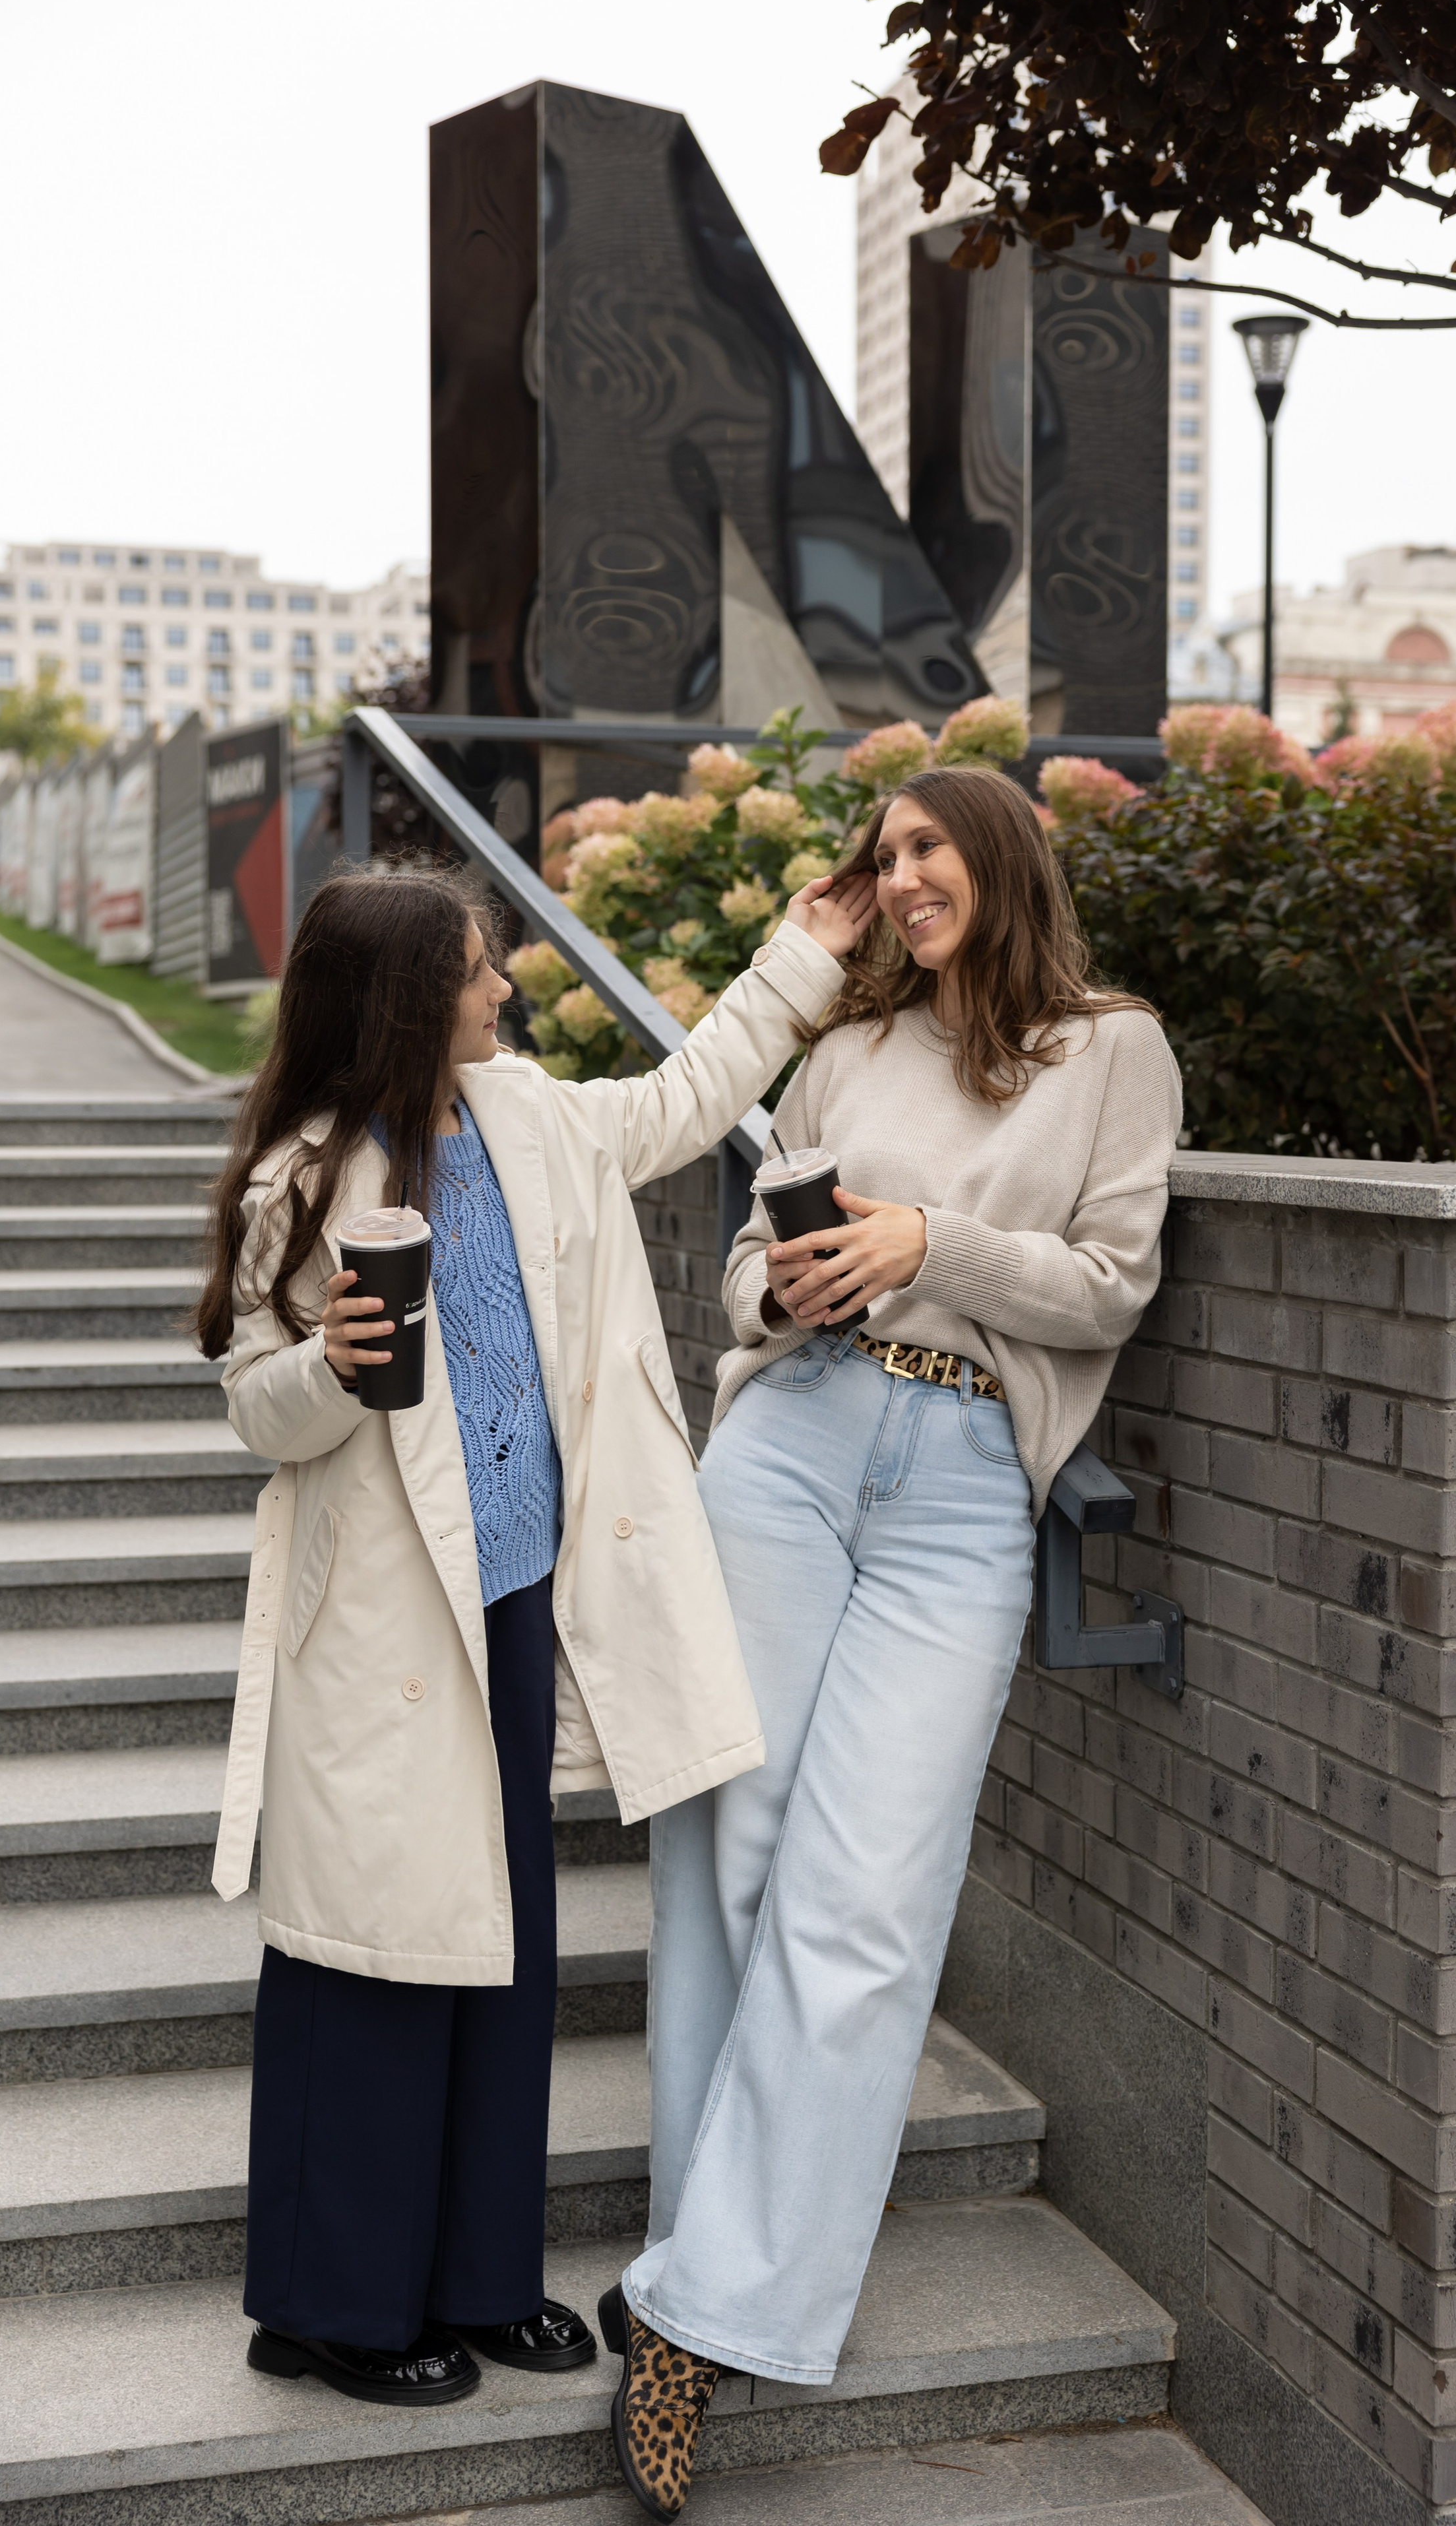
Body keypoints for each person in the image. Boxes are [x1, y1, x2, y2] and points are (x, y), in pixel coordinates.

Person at [194, 856, 871, 2409]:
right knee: (371, 1952)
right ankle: (326, 2307)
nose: (504, 989)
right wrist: (329, 1366)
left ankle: (480, 2279)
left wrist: (804, 951)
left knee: (502, 1953)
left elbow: (689, 1098)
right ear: (405, 1001)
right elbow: (254, 1402)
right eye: (479, 971)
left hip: (516, 1607)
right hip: (377, 1625)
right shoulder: (302, 1179)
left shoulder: (535, 1119)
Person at [600, 766, 1182, 2517]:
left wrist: (939, 1244)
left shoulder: (1115, 1050)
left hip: (954, 1491)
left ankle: (708, 2304)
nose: (902, 878)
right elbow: (736, 1276)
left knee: (868, 1894)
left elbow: (1108, 1288)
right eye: (883, 858)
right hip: (786, 1447)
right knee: (732, 1846)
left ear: (1003, 857)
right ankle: (690, 2280)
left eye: (928, 850)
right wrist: (782, 1287)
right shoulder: (843, 1049)